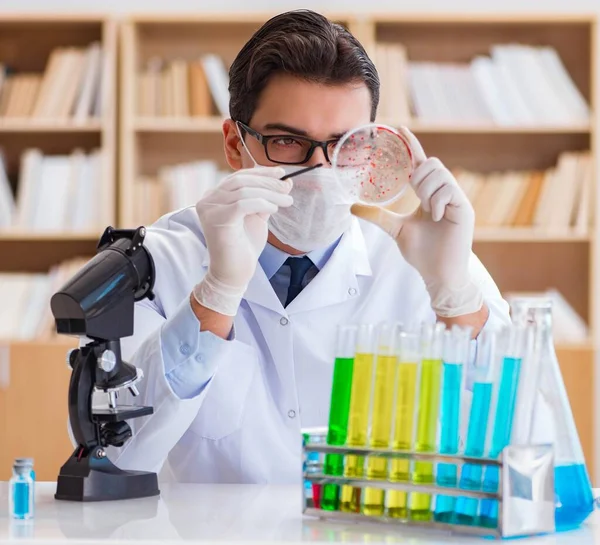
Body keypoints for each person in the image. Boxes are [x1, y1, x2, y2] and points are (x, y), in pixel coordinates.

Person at [109, 9, 510, 484]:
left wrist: (454, 297)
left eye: (345, 145)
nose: (320, 171)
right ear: (236, 145)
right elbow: (121, 455)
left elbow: (518, 447)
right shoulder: (155, 262)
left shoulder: (433, 259)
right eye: (286, 141)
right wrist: (217, 293)